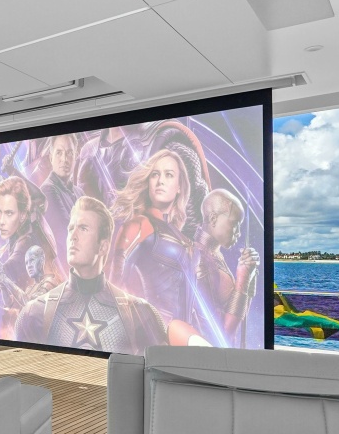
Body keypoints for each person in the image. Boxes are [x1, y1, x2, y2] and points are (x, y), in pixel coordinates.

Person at [15, 196, 168, 354]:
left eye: (83, 228)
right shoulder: (34, 314)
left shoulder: (141, 314)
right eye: (71, 228)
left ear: (103, 246)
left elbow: (161, 368)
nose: (73, 236)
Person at [110, 146, 207, 334]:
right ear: (148, 182)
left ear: (179, 187)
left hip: (181, 336)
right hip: (151, 332)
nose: (160, 181)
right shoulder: (139, 225)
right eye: (155, 175)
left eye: (169, 175)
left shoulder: (182, 237)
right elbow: (115, 286)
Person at [199, 187, 260, 344]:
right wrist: (243, 279)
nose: (238, 232)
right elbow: (221, 333)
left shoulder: (214, 255)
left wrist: (249, 277)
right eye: (234, 223)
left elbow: (240, 317)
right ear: (213, 219)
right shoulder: (199, 261)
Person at [38, 134, 79, 263]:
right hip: (65, 267)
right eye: (59, 153)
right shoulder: (48, 190)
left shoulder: (79, 192)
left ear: (76, 156)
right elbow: (66, 235)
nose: (64, 159)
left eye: (69, 153)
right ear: (51, 158)